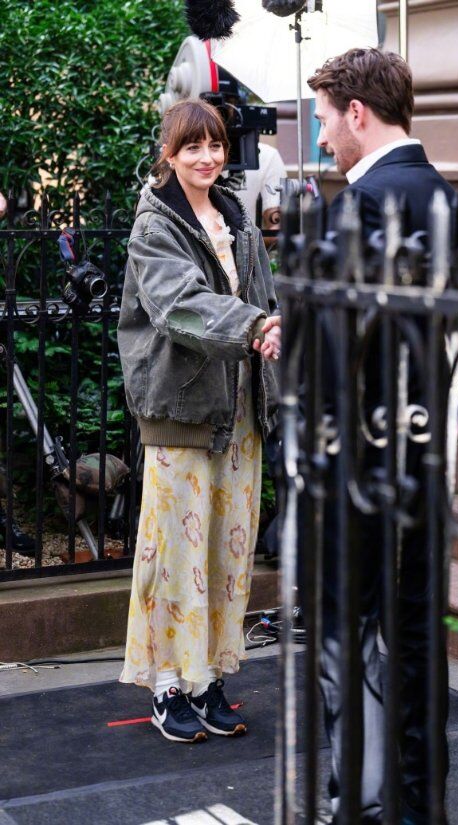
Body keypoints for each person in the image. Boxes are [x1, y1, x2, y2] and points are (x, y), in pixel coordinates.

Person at [306, 49, 458, 824]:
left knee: (353, 638)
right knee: (415, 635)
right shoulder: (444, 195)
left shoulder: (362, 203)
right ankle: (417, 798)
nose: (322, 137)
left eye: (325, 119)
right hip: (427, 454)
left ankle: (366, 803)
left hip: (364, 463)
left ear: (357, 113)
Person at [117, 99, 280, 744]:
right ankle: (166, 685)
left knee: (227, 549)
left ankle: (207, 676)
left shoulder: (236, 216)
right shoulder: (154, 225)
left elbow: (262, 298)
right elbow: (178, 306)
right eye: (193, 147)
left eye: (215, 145)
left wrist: (271, 332)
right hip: (181, 408)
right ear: (170, 153)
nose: (208, 157)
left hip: (239, 411)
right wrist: (255, 326)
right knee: (174, 553)